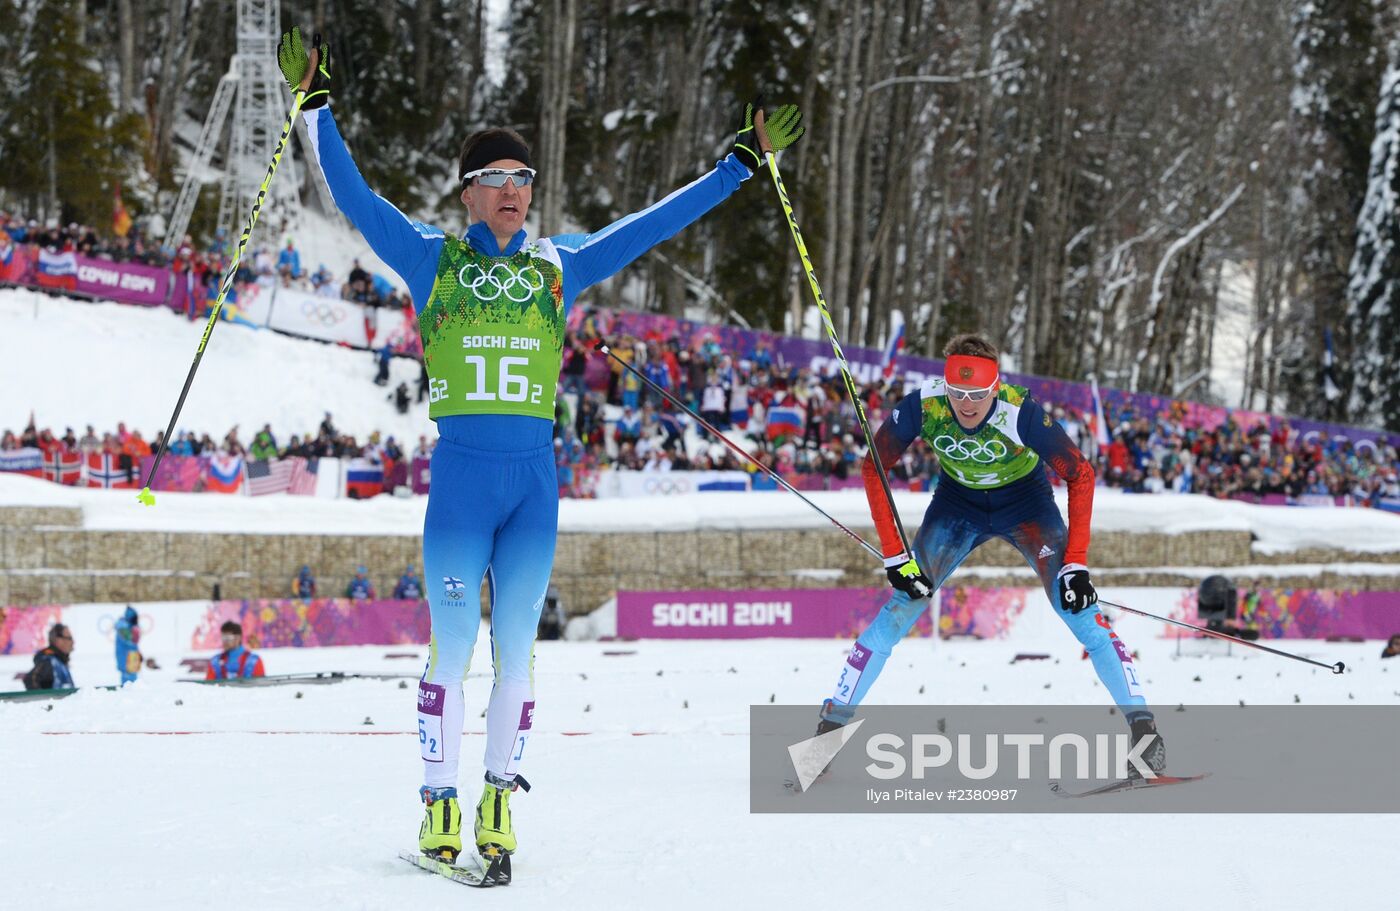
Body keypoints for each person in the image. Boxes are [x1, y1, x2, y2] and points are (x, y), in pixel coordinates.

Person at [278, 25, 804, 866]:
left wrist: (736, 166)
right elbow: (356, 199)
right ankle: (438, 806)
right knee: (452, 651)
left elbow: (648, 226)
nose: (514, 189)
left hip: (532, 487)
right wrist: (319, 112)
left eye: (523, 177)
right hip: (461, 484)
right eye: (496, 178)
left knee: (516, 660)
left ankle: (498, 804)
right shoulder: (431, 260)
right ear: (468, 193)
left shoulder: (560, 264)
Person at [812, 333, 1164, 776]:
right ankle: (829, 729)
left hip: (1026, 505)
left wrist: (1076, 562)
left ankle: (1145, 733)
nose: (966, 404)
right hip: (958, 506)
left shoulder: (1021, 411)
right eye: (957, 393)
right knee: (905, 602)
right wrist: (894, 556)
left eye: (977, 394)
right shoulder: (925, 404)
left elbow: (1081, 473)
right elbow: (873, 466)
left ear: (995, 387)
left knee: (1076, 609)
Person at [23, 624, 75, 691]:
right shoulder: (49, 661)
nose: (72, 642)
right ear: (58, 640)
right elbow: (30, 679)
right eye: (69, 638)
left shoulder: (60, 662)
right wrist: (42, 699)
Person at [114, 605, 142, 685]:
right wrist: (135, 630)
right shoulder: (123, 627)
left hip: (131, 656)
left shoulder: (128, 626)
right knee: (128, 681)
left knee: (132, 679)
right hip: (126, 657)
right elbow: (131, 641)